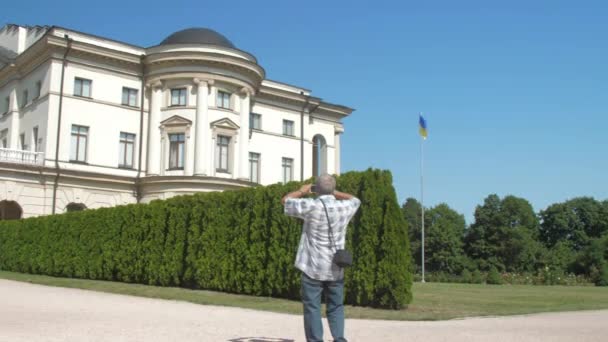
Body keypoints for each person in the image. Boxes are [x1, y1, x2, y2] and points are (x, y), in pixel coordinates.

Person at [282, 174, 361, 342]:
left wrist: (301, 191)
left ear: (316, 189)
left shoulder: (311, 206)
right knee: (336, 307)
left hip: (313, 267)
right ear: (332, 189)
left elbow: (286, 201)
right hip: (335, 269)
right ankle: (339, 339)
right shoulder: (344, 208)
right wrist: (335, 192)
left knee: (312, 308)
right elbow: (356, 200)